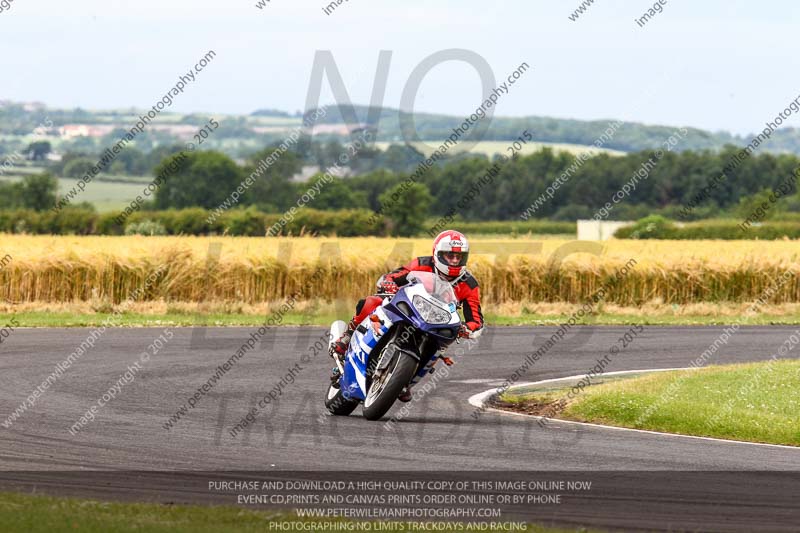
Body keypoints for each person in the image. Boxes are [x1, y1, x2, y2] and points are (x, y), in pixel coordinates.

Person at [330, 230, 484, 401]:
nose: (455, 261)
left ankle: (405, 382)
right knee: (372, 301)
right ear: (438, 254)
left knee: (439, 347)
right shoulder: (422, 263)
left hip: (436, 322)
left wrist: (467, 328)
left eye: (459, 257)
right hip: (409, 307)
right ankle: (347, 336)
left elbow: (476, 319)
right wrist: (389, 282)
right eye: (450, 256)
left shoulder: (469, 284)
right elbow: (395, 276)